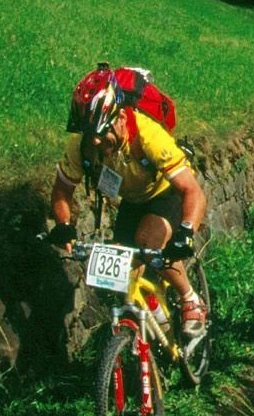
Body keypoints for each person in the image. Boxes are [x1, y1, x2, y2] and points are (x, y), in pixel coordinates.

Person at [47, 69, 210, 336]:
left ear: (121, 118)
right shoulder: (82, 146)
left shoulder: (149, 136)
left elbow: (193, 191)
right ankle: (155, 329)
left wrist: (186, 232)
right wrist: (64, 225)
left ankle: (190, 298)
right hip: (132, 200)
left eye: (102, 133)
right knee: (123, 278)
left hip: (166, 194)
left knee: (148, 241)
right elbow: (62, 191)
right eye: (90, 135)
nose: (96, 142)